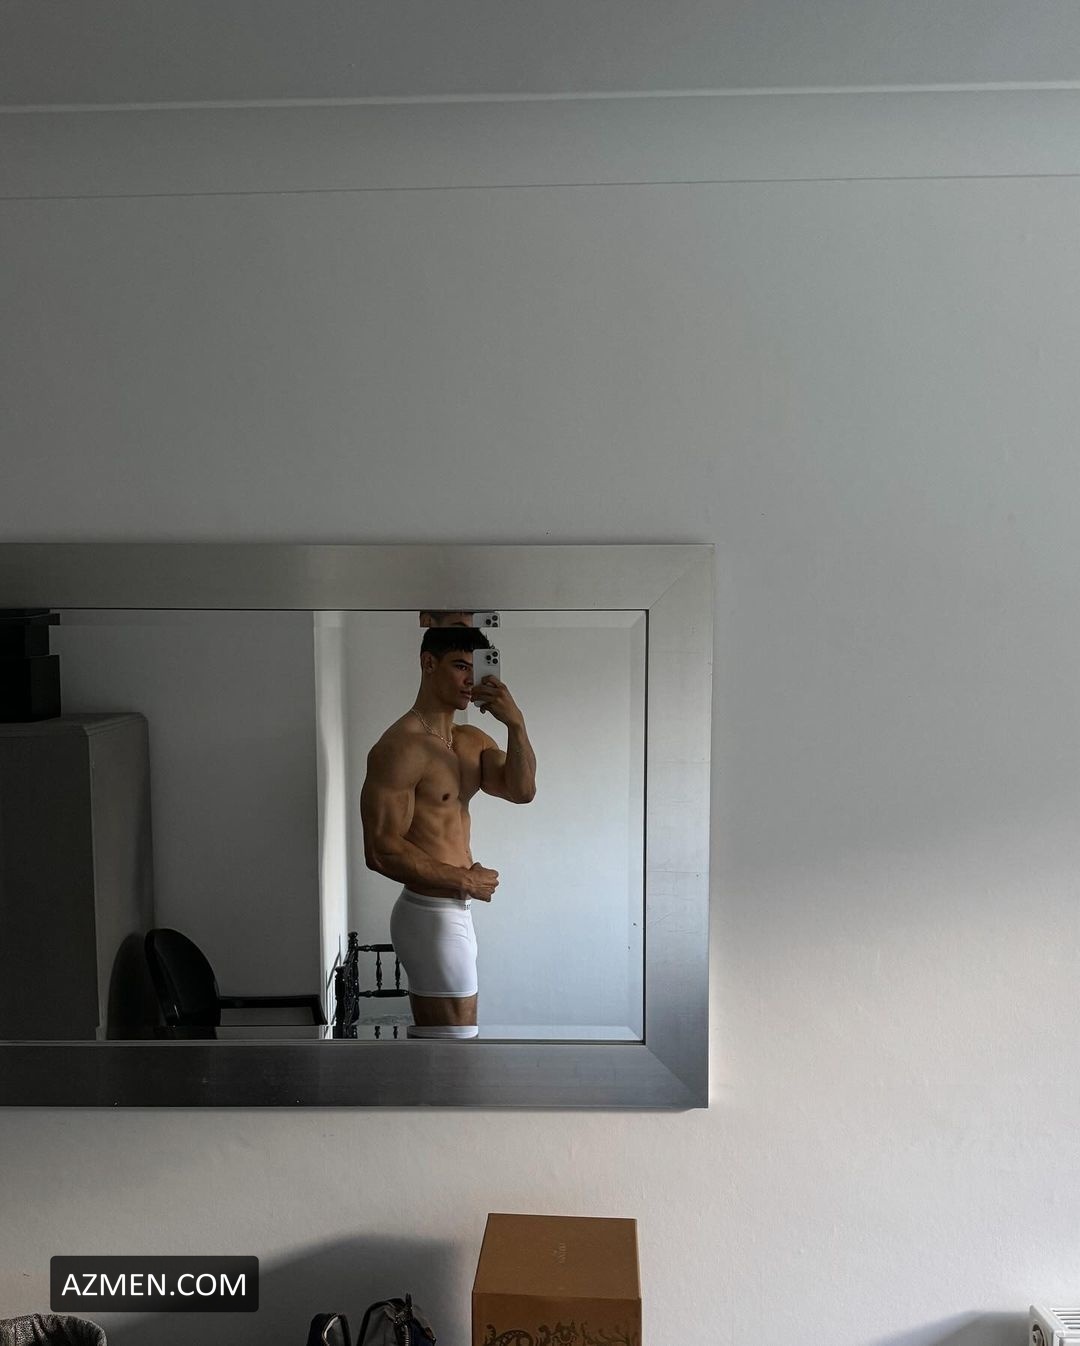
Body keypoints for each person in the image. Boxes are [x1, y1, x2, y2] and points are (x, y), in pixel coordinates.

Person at [360, 626, 537, 1039]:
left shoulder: (471, 740)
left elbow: (522, 791)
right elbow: (381, 850)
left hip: (457, 910)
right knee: (454, 1044)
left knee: (447, 1045)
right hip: (428, 913)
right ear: (428, 663)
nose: (470, 680)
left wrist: (516, 724)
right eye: (460, 666)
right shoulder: (400, 747)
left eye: (476, 669)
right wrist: (465, 880)